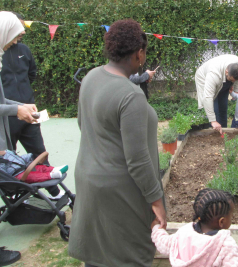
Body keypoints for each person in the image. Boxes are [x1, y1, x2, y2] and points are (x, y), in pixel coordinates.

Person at [68, 19, 166, 267]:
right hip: (119, 190)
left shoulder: (91, 77)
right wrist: (157, 200)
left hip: (89, 179)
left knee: (99, 254)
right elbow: (138, 160)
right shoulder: (130, 95)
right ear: (139, 53)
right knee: (127, 256)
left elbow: (83, 124)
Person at [0, 11, 37, 267]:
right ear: (2, 31)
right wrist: (15, 110)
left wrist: (20, 106)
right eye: (12, 37)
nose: (12, 43)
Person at [0, 12, 64, 200]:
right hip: (6, 116)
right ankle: (15, 196)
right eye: (17, 29)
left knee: (39, 151)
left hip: (29, 112)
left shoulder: (24, 50)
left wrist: (24, 97)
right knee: (7, 159)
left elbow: (31, 74)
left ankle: (54, 192)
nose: (21, 33)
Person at [151, 188, 238, 267]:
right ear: (222, 221)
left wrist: (156, 227)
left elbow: (163, 242)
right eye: (231, 216)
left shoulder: (183, 233)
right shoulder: (224, 244)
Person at [195, 55, 238, 133]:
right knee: (215, 110)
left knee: (223, 108)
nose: (232, 82)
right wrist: (213, 120)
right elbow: (208, 97)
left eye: (233, 80)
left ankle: (223, 130)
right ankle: (214, 132)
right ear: (226, 72)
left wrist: (235, 89)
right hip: (204, 78)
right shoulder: (213, 74)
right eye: (231, 80)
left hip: (223, 77)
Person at [0, 150, 68, 183]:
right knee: (33, 176)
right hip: (16, 175)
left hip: (24, 167)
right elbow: (3, 174)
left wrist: (28, 156)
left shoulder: (8, 152)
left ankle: (53, 169)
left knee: (39, 167)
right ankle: (51, 175)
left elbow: (18, 158)